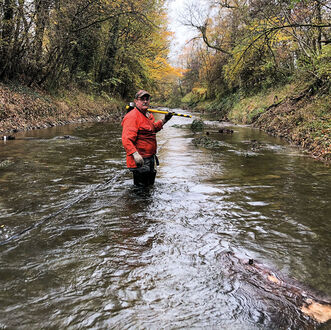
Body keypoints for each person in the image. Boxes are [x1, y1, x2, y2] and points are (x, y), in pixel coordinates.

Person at [121, 90, 173, 186]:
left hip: (150, 158)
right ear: (136, 101)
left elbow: (152, 129)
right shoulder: (132, 117)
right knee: (141, 193)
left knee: (149, 188)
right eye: (142, 99)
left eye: (147, 99)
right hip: (140, 160)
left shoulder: (149, 115)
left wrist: (165, 119)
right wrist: (135, 154)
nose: (145, 101)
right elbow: (126, 139)